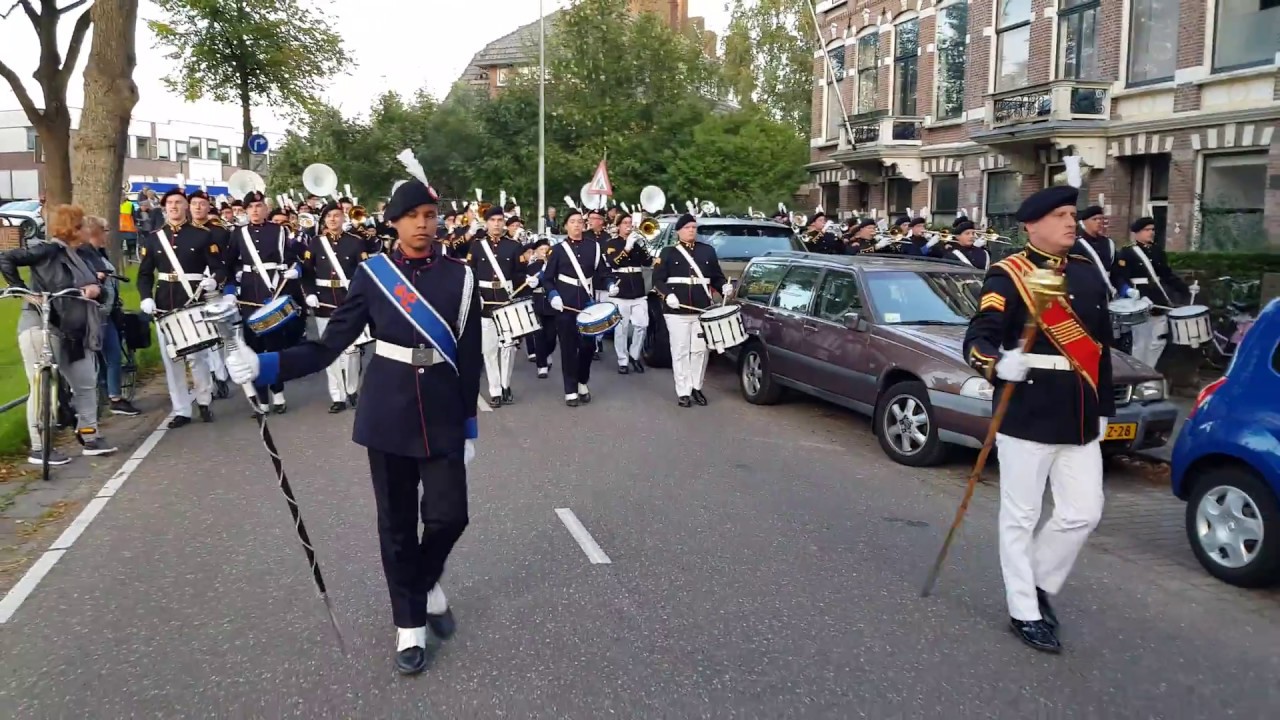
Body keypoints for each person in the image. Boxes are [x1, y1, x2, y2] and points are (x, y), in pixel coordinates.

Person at [224, 168, 481, 676]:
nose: (423, 225)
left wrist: (470, 425)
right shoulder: (374, 275)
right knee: (397, 526)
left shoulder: (462, 276)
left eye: (430, 216)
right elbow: (327, 346)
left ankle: (425, 583)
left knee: (451, 516)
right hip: (388, 411)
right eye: (412, 217)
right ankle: (408, 625)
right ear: (394, 223)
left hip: (445, 411)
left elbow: (468, 356)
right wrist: (266, 365)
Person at [962, 185, 1114, 654]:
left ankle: (1041, 581)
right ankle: (1024, 607)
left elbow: (1101, 349)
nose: (1072, 222)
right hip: (1027, 408)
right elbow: (977, 339)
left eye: (1073, 214)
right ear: (1032, 224)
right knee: (1021, 516)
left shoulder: (1089, 275)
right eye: (1061, 215)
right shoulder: (1007, 276)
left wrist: (1105, 407)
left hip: (1080, 409)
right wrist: (995, 363)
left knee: (1083, 511)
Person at [0, 204, 118, 461]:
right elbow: (6, 258)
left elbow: (103, 287)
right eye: (84, 224)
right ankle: (40, 447)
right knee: (39, 384)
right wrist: (23, 291)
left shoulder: (84, 254)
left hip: (76, 330)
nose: (88, 229)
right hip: (42, 324)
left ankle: (89, 436)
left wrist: (96, 289)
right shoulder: (48, 249)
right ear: (73, 228)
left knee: (86, 384)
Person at [138, 189, 223, 427]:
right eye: (170, 203)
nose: (174, 207)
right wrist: (146, 297)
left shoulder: (202, 235)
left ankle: (204, 400)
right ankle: (181, 409)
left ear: (186, 207)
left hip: (193, 301)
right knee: (171, 360)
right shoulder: (154, 238)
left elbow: (219, 267)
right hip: (164, 303)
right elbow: (144, 274)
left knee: (197, 356)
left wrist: (213, 280)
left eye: (178, 203)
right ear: (164, 208)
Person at [222, 190, 302, 415]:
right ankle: (262, 400)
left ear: (266, 209)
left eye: (259, 206)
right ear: (246, 210)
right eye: (251, 207)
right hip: (249, 296)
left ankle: (279, 395)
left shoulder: (279, 231)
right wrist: (230, 289)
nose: (255, 211)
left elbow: (291, 259)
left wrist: (295, 270)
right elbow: (228, 265)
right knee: (253, 349)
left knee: (275, 348)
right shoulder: (238, 234)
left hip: (273, 293)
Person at [301, 202, 382, 412]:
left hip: (349, 301)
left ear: (343, 218)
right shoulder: (316, 243)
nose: (333, 220)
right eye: (329, 217)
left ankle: (351, 388)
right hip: (323, 302)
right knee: (328, 350)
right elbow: (307, 273)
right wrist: (309, 294)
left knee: (352, 351)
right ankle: (337, 396)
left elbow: (364, 273)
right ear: (324, 220)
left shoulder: (355, 243)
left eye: (336, 215)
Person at [532, 208, 610, 406]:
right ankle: (570, 390)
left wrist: (611, 285)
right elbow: (548, 279)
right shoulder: (557, 250)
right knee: (568, 348)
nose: (577, 225)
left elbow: (602, 272)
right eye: (572, 222)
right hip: (564, 305)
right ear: (566, 225)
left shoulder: (594, 247)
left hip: (587, 304)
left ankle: (582, 381)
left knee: (588, 346)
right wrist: (553, 295)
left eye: (579, 221)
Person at [653, 213, 729, 407]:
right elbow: (658, 279)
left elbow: (716, 277)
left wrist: (724, 287)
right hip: (676, 311)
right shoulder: (668, 252)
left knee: (700, 351)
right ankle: (683, 391)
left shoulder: (707, 251)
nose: (691, 231)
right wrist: (667, 295)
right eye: (687, 228)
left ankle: (696, 387)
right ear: (679, 231)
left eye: (694, 227)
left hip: (702, 309)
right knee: (679, 350)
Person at [81, 215, 140, 416]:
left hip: (107, 312)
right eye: (105, 230)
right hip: (96, 314)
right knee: (111, 354)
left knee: (108, 355)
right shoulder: (85, 254)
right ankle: (114, 397)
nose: (108, 234)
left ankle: (107, 393)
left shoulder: (98, 253)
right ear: (94, 232)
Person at [466, 205, 524, 407]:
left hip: (506, 301)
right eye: (493, 220)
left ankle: (506, 385)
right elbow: (470, 275)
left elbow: (519, 275)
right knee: (489, 349)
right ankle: (495, 390)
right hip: (485, 302)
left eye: (500, 220)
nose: (497, 224)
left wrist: (528, 285)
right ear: (487, 223)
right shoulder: (477, 246)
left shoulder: (513, 246)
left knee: (508, 348)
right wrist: (475, 297)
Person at [1114, 216, 1188, 369]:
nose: (1151, 233)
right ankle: (1138, 373)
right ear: (1137, 233)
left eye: (1152, 230)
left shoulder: (1157, 250)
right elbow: (1120, 276)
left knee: (1158, 339)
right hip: (1140, 299)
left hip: (1158, 298)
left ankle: (1150, 370)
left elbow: (1167, 274)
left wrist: (1184, 288)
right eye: (1147, 230)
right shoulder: (1127, 252)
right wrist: (1128, 292)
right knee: (1141, 341)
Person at [603, 213, 652, 374]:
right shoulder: (612, 243)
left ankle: (634, 355)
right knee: (621, 328)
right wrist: (627, 247)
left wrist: (643, 245)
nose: (628, 226)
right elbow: (614, 263)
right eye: (625, 223)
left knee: (642, 325)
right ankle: (622, 360)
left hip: (638, 289)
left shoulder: (637, 243)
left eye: (630, 223)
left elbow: (647, 262)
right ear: (618, 226)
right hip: (621, 288)